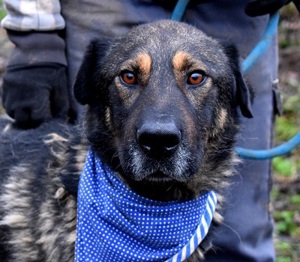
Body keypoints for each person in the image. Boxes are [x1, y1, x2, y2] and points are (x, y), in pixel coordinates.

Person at [1, 0, 297, 260]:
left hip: (241, 6)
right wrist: (36, 39)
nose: (160, 129)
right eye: (129, 77)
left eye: (195, 78)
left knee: (240, 238)